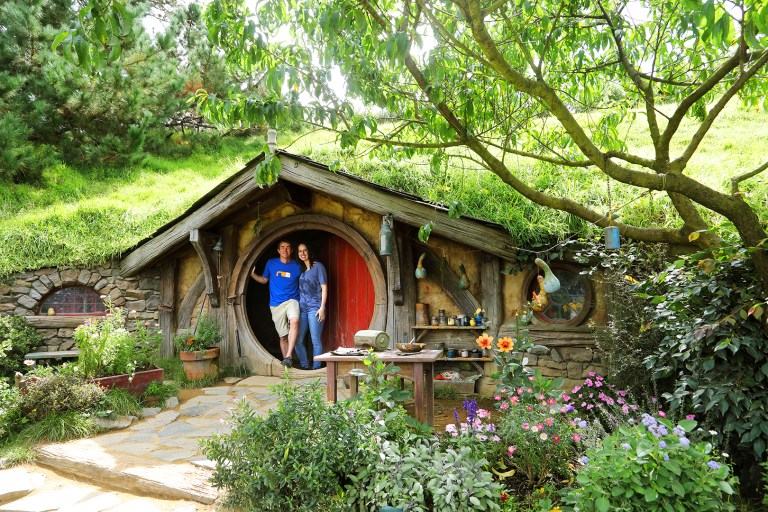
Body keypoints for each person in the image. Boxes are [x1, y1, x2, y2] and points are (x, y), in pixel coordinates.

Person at [251, 239, 301, 367]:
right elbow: (264, 280)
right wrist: (251, 274)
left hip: (292, 300)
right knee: (283, 337)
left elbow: (306, 279)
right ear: (278, 250)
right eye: (282, 247)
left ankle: (289, 355)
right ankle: (287, 362)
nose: (285, 250)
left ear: (292, 250)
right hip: (276, 304)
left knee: (294, 320)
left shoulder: (297, 265)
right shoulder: (271, 263)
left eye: (288, 247)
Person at [293, 243, 328, 370]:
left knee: (315, 340)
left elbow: (324, 288)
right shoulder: (302, 270)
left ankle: (316, 368)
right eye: (300, 251)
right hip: (302, 309)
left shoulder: (318, 266)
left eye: (305, 250)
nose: (302, 253)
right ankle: (304, 366)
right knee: (297, 341)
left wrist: (322, 307)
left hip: (315, 309)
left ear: (309, 251)